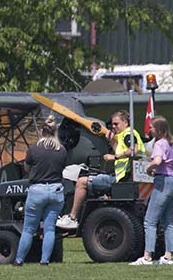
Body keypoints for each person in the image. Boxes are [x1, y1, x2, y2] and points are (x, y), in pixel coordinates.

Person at [57, 111, 144, 230]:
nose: (113, 127)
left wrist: (114, 157)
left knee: (82, 182)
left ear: (125, 122)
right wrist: (111, 141)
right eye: (112, 124)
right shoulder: (125, 135)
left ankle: (72, 218)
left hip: (121, 180)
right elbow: (123, 151)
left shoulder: (128, 134)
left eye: (116, 124)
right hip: (125, 178)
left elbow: (133, 150)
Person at [13, 116, 67, 266]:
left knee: (29, 229)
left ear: (42, 131)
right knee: (49, 229)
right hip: (56, 189)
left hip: (37, 189)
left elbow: (27, 168)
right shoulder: (62, 150)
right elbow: (62, 168)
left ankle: (19, 260)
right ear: (55, 132)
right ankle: (44, 261)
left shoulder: (34, 148)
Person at [134, 115, 173, 265]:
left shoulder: (159, 143)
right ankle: (168, 256)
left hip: (163, 183)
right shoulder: (171, 144)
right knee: (167, 220)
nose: (149, 130)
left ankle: (147, 256)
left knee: (149, 221)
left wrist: (149, 168)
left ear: (159, 129)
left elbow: (158, 160)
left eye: (151, 127)